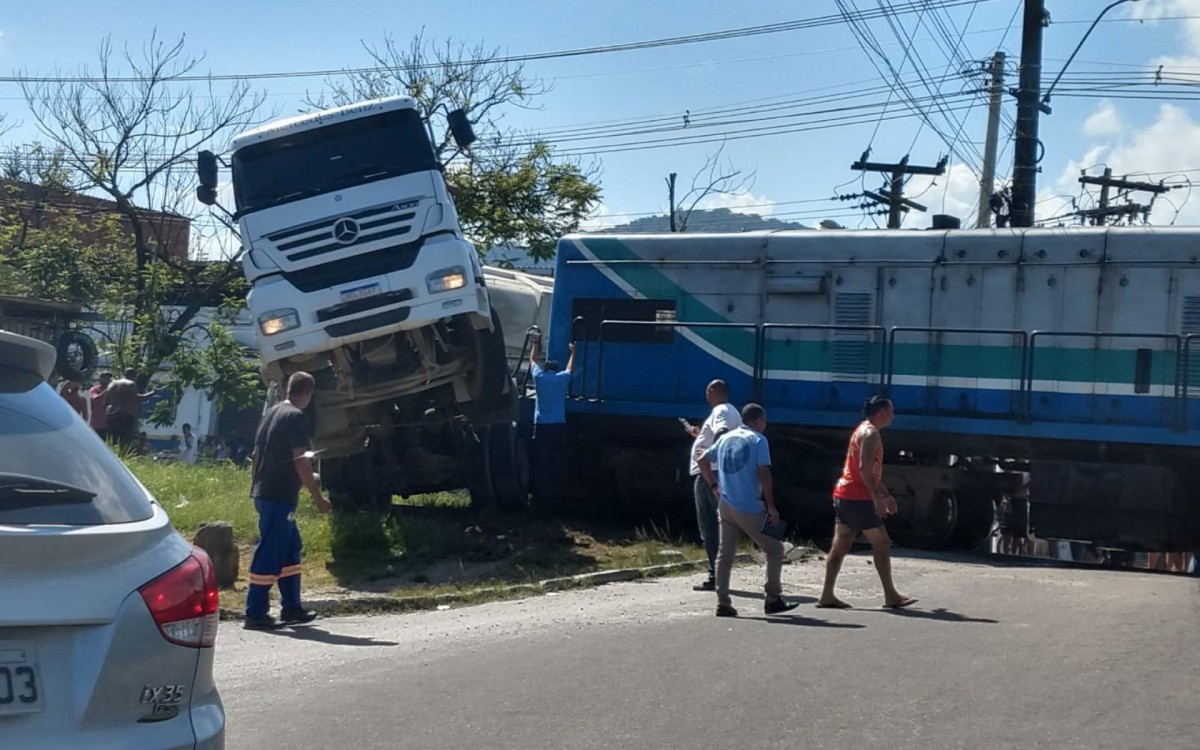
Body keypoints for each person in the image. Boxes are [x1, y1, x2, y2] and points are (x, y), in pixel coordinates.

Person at [245, 371, 331, 630]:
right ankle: (255, 612)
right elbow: (300, 460)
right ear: (308, 394)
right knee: (270, 551)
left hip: (266, 492)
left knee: (291, 547)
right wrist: (318, 497)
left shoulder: (272, 413)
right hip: (278, 494)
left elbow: (256, 453)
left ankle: (292, 607)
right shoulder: (296, 417)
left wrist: (254, 486)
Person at [698, 403, 799, 618]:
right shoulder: (758, 440)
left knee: (725, 554)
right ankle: (773, 599)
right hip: (749, 506)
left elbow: (702, 460)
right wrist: (771, 506)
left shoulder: (725, 439)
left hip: (725, 505)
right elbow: (764, 473)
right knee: (774, 549)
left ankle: (723, 602)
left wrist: (714, 486)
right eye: (764, 420)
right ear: (757, 421)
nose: (765, 424)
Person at [818, 396, 918, 610]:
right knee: (881, 542)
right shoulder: (871, 434)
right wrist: (877, 499)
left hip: (845, 493)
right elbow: (864, 469)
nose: (894, 415)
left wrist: (885, 494)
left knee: (841, 545)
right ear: (881, 412)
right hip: (858, 497)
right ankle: (891, 596)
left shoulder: (863, 429)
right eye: (891, 410)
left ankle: (827, 595)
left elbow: (868, 473)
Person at [684, 379, 741, 591]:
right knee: (720, 526)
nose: (706, 396)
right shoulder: (733, 411)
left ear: (714, 391)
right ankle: (717, 574)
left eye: (708, 391)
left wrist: (710, 461)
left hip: (709, 474)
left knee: (709, 527)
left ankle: (715, 575)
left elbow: (722, 433)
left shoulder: (721, 410)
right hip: (717, 473)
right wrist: (701, 436)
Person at [529, 331, 575, 507]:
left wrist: (535, 345)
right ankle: (556, 497)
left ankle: (540, 497)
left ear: (546, 368)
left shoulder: (539, 378)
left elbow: (532, 361)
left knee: (542, 462)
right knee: (556, 461)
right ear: (556, 370)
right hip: (559, 426)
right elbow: (570, 368)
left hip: (542, 426)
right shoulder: (562, 379)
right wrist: (573, 351)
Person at [105, 368, 157, 449]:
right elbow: (137, 399)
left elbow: (105, 402)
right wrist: (152, 393)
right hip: (126, 415)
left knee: (113, 440)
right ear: (132, 375)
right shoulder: (130, 384)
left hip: (112, 416)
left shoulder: (112, 384)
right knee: (125, 441)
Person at [88, 372, 112, 439]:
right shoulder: (94, 389)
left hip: (109, 425)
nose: (107, 380)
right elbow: (95, 399)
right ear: (100, 378)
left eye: (108, 378)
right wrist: (106, 391)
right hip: (97, 425)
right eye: (105, 378)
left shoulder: (112, 391)